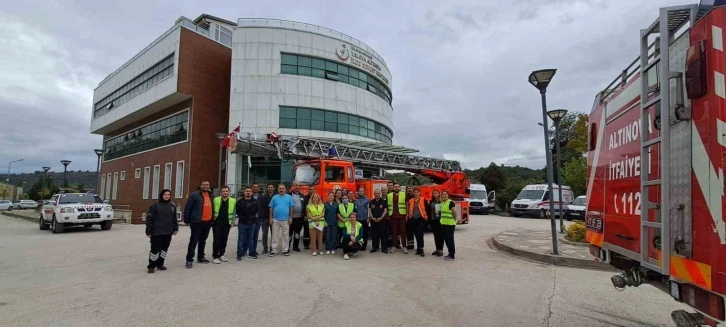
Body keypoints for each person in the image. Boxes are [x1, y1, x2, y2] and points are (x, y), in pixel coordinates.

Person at [145, 189, 179, 273]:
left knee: (164, 249)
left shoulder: (172, 206)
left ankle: (160, 264)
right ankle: (151, 266)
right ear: (161, 195)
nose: (167, 196)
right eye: (165, 194)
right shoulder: (155, 206)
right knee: (154, 249)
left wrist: (176, 228)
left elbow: (174, 218)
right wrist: (148, 231)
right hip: (156, 232)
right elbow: (149, 219)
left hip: (168, 232)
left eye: (168, 194)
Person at [183, 181, 214, 269]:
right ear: (200, 186)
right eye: (204, 185)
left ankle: (201, 257)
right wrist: (187, 220)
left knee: (203, 241)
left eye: (207, 185)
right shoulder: (194, 195)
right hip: (197, 222)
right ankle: (189, 259)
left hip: (208, 222)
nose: (205, 186)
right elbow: (188, 207)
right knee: (193, 241)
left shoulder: (211, 195)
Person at [211, 186, 236, 264]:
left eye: (226, 191)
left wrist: (232, 222)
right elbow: (212, 210)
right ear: (221, 192)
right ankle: (215, 256)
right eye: (223, 191)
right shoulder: (215, 200)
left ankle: (221, 254)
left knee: (224, 239)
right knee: (217, 240)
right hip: (217, 223)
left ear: (229, 192)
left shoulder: (233, 200)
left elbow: (234, 212)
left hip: (227, 223)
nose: (225, 193)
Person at [269, 184, 294, 256]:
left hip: (285, 220)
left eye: (283, 188)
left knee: (285, 235)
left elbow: (291, 208)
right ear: (278, 189)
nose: (281, 190)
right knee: (275, 236)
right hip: (275, 219)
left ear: (285, 189)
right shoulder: (274, 197)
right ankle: (274, 250)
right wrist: (270, 218)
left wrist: (290, 217)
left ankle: (285, 250)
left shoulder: (289, 197)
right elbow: (271, 208)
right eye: (280, 188)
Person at [236, 187, 258, 260]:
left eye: (250, 191)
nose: (248, 192)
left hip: (252, 223)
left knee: (251, 238)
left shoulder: (255, 202)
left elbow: (256, 211)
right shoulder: (240, 201)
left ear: (251, 193)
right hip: (242, 223)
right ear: (244, 192)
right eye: (247, 191)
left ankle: (251, 253)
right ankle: (239, 253)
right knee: (241, 239)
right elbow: (237, 211)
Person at [407, 188, 429, 257]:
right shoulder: (411, 200)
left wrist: (426, 219)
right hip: (413, 219)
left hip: (421, 219)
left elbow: (427, 209)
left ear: (420, 193)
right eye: (415, 192)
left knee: (420, 234)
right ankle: (418, 248)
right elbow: (410, 209)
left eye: (417, 192)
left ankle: (421, 249)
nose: (416, 193)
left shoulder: (423, 199)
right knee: (416, 234)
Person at [387, 183, 408, 254]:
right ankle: (394, 246)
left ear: (400, 188)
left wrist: (407, 214)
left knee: (403, 231)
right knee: (394, 232)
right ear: (393, 188)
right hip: (392, 216)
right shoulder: (389, 195)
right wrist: (388, 215)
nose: (396, 188)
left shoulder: (404, 194)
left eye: (397, 187)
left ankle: (404, 246)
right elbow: (387, 206)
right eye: (395, 187)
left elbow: (407, 204)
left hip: (402, 216)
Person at [288, 182, 307, 252]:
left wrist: (305, 215)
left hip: (299, 218)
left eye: (299, 186)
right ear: (293, 186)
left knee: (297, 233)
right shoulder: (288, 195)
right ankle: (287, 247)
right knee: (289, 233)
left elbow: (304, 207)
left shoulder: (302, 195)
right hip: (290, 218)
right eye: (296, 185)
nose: (297, 187)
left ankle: (295, 247)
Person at [368, 188, 388, 253]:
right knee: (374, 235)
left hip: (382, 221)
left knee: (383, 234)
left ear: (380, 194)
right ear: (374, 194)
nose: (377, 194)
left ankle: (384, 248)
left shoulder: (383, 201)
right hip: (374, 221)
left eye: (378, 193)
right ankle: (374, 247)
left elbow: (385, 210)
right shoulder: (371, 201)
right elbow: (370, 210)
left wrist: (381, 218)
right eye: (375, 193)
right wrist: (372, 217)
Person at [440, 191, 458, 261]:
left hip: (450, 224)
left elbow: (454, 212)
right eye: (443, 194)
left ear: (448, 195)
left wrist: (454, 220)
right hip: (444, 224)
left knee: (450, 240)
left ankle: (452, 255)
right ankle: (449, 253)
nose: (444, 195)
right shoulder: (443, 203)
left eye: (445, 194)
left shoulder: (450, 202)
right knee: (447, 240)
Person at [427, 190, 445, 257]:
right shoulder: (432, 201)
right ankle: (437, 249)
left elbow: (444, 210)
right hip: (433, 220)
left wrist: (439, 213)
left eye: (436, 193)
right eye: (433, 193)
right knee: (435, 236)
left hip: (439, 220)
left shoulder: (442, 201)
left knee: (440, 236)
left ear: (439, 194)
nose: (435, 194)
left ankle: (440, 250)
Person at [249, 183, 263, 258]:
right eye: (254, 187)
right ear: (251, 188)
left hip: (258, 219)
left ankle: (253, 250)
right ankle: (246, 249)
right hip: (249, 219)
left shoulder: (261, 197)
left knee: (255, 235)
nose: (255, 188)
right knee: (248, 235)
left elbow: (263, 207)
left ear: (258, 188)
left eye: (257, 187)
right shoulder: (248, 195)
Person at [261, 183, 275, 254]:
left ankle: (272, 248)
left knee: (273, 234)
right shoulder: (263, 197)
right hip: (265, 218)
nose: (270, 188)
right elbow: (261, 207)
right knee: (265, 233)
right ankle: (265, 248)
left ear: (273, 188)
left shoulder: (276, 197)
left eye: (271, 187)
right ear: (267, 188)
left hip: (274, 218)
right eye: (269, 187)